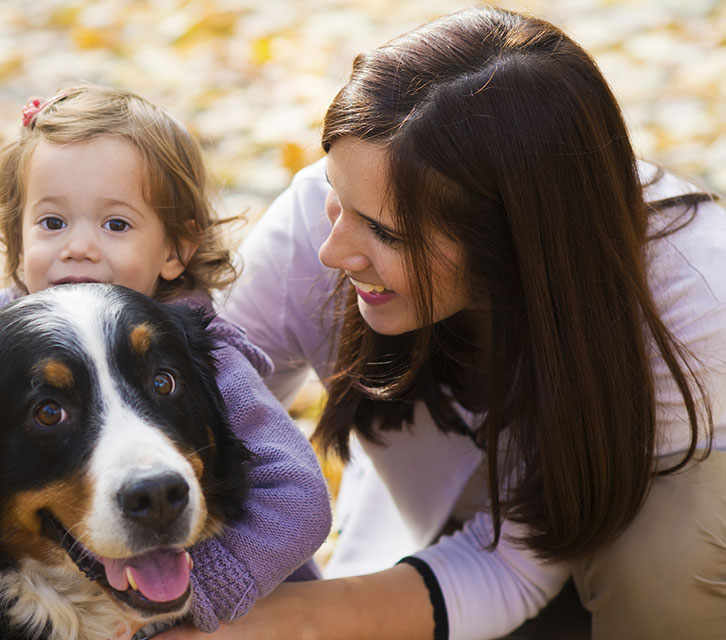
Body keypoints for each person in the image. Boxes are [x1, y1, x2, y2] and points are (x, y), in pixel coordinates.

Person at [159, 6, 726, 640]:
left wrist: (275, 625)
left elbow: (519, 560)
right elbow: (209, 410)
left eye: (385, 232)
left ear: (510, 243)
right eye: (334, 195)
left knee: (666, 562)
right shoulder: (322, 226)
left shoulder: (695, 300)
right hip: (449, 527)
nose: (332, 250)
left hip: (649, 500)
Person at [0, 84, 333, 632]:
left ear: (176, 250)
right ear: (18, 243)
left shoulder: (204, 348)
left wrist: (205, 585)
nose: (80, 247)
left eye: (116, 224)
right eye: (53, 223)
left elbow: (297, 494)